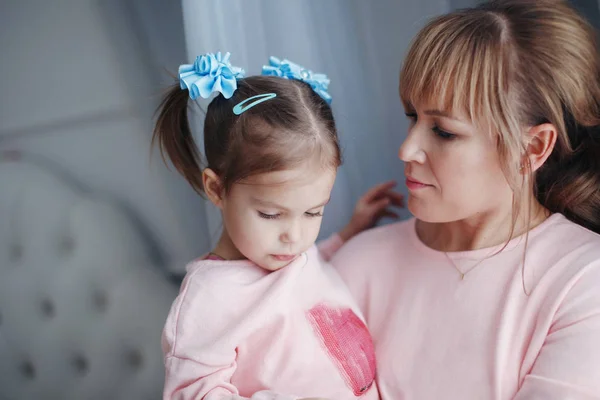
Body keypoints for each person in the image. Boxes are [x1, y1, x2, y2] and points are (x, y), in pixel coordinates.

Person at [331, 1, 600, 398]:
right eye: (412, 116)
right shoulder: (356, 265)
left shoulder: (583, 282)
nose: (407, 149)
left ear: (532, 149)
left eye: (443, 131)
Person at [154, 52, 401, 399]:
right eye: (271, 215)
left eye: (313, 212)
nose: (295, 237)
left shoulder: (289, 250)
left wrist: (349, 231)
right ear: (217, 189)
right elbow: (193, 392)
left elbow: (308, 269)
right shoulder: (208, 299)